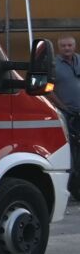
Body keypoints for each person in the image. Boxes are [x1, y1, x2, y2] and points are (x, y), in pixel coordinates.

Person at [52, 35, 79, 197]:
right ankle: (71, 188)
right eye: (64, 46)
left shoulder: (79, 60)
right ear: (59, 48)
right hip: (66, 115)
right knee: (70, 152)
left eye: (69, 45)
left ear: (74, 46)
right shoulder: (53, 65)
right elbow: (47, 88)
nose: (67, 48)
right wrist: (62, 106)